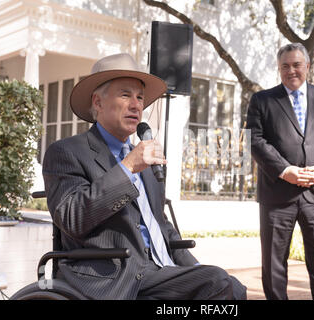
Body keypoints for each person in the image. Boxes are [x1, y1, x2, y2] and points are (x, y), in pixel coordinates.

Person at [42, 53, 247, 300]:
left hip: (159, 271)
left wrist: (192, 268)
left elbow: (161, 225)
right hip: (113, 276)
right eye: (125, 94)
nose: (136, 104)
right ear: (97, 102)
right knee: (216, 282)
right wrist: (127, 168)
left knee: (232, 286)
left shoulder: (144, 158)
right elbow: (72, 218)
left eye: (140, 97)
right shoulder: (67, 152)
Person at [246, 43, 314, 300]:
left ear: (307, 67)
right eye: (285, 66)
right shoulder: (262, 100)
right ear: (279, 69)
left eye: (296, 65)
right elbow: (255, 140)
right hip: (277, 196)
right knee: (274, 266)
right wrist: (284, 170)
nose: (291, 70)